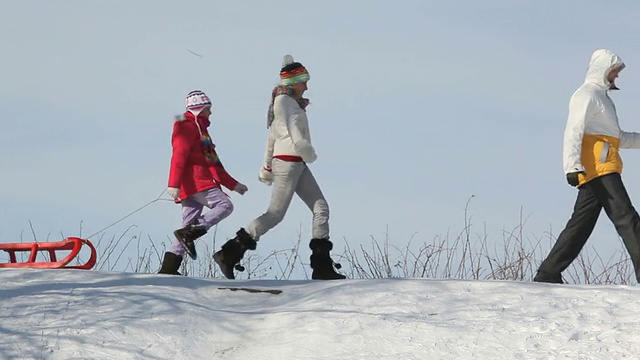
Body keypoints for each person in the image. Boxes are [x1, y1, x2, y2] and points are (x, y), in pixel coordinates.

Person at [212, 55, 345, 280]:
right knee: (274, 215)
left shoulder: (289, 103)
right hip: (288, 163)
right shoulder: (284, 102)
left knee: (321, 208)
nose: (307, 85)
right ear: (293, 82)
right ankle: (229, 252)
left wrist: (266, 164)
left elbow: (272, 136)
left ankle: (321, 266)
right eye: (304, 81)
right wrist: (302, 146)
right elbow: (288, 129)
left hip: (296, 163)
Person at [534, 49, 640, 284]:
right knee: (627, 217)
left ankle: (548, 273)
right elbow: (574, 129)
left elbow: (618, 138)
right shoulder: (586, 95)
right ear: (603, 69)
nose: (617, 76)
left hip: (602, 166)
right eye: (615, 71)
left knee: (580, 225)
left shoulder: (603, 99)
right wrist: (571, 166)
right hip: (599, 168)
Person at [158, 90, 248, 275]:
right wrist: (173, 183)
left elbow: (213, 163)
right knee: (225, 205)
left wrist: (233, 184)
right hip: (196, 181)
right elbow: (179, 155)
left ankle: (168, 268)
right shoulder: (185, 126)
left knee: (187, 222)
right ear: (200, 109)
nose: (211, 113)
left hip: (194, 183)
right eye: (208, 109)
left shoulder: (202, 131)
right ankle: (191, 232)